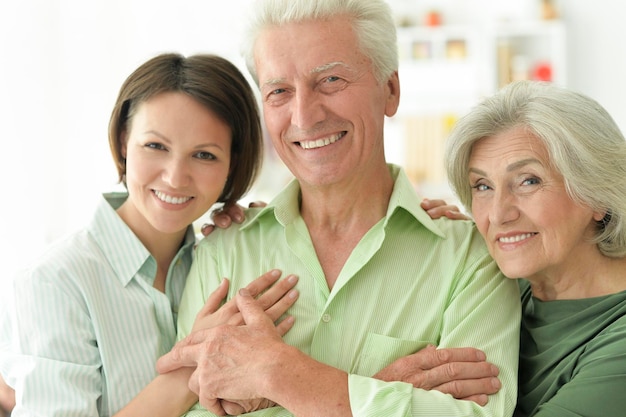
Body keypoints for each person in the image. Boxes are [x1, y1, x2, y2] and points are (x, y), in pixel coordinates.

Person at [157, 1, 521, 416]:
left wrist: (281, 377)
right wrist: (376, 394)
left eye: (330, 80)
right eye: (279, 91)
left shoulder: (472, 260)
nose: (305, 116)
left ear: (390, 90)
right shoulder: (223, 251)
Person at [0, 52, 300, 416]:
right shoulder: (54, 282)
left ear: (231, 165)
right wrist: (195, 358)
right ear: (125, 141)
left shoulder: (223, 258)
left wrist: (259, 240)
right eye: (155, 146)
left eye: (204, 155)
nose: (175, 177)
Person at [442, 80, 626, 417]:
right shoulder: (492, 287)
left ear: (597, 194)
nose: (498, 214)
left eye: (528, 181)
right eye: (482, 186)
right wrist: (436, 240)